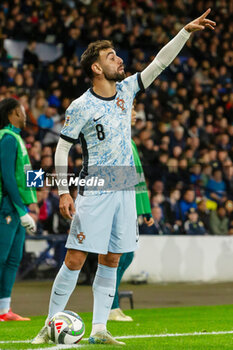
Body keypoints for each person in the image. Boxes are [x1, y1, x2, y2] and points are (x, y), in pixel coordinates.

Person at [32, 9, 215, 345]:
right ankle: (48, 324)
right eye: (111, 56)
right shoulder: (80, 106)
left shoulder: (126, 89)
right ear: (96, 68)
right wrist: (63, 192)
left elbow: (159, 63)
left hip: (125, 186)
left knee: (113, 258)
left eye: (117, 54)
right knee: (75, 256)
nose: (120, 60)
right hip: (97, 186)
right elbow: (61, 151)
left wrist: (185, 32)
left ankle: (100, 329)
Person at [108, 108, 154, 322]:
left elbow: (138, 179)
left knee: (126, 255)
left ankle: (112, 303)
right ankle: (110, 304)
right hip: (118, 206)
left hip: (131, 207)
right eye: (132, 109)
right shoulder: (117, 141)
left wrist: (145, 209)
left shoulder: (131, 142)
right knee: (118, 256)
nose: (136, 113)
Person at [0, 98, 37, 321]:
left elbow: (23, 176)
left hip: (18, 206)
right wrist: (21, 210)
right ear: (15, 112)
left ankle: (4, 310)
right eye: (24, 110)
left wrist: (31, 202)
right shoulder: (7, 138)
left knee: (13, 259)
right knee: (1, 258)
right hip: (7, 206)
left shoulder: (18, 139)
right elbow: (7, 177)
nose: (26, 114)